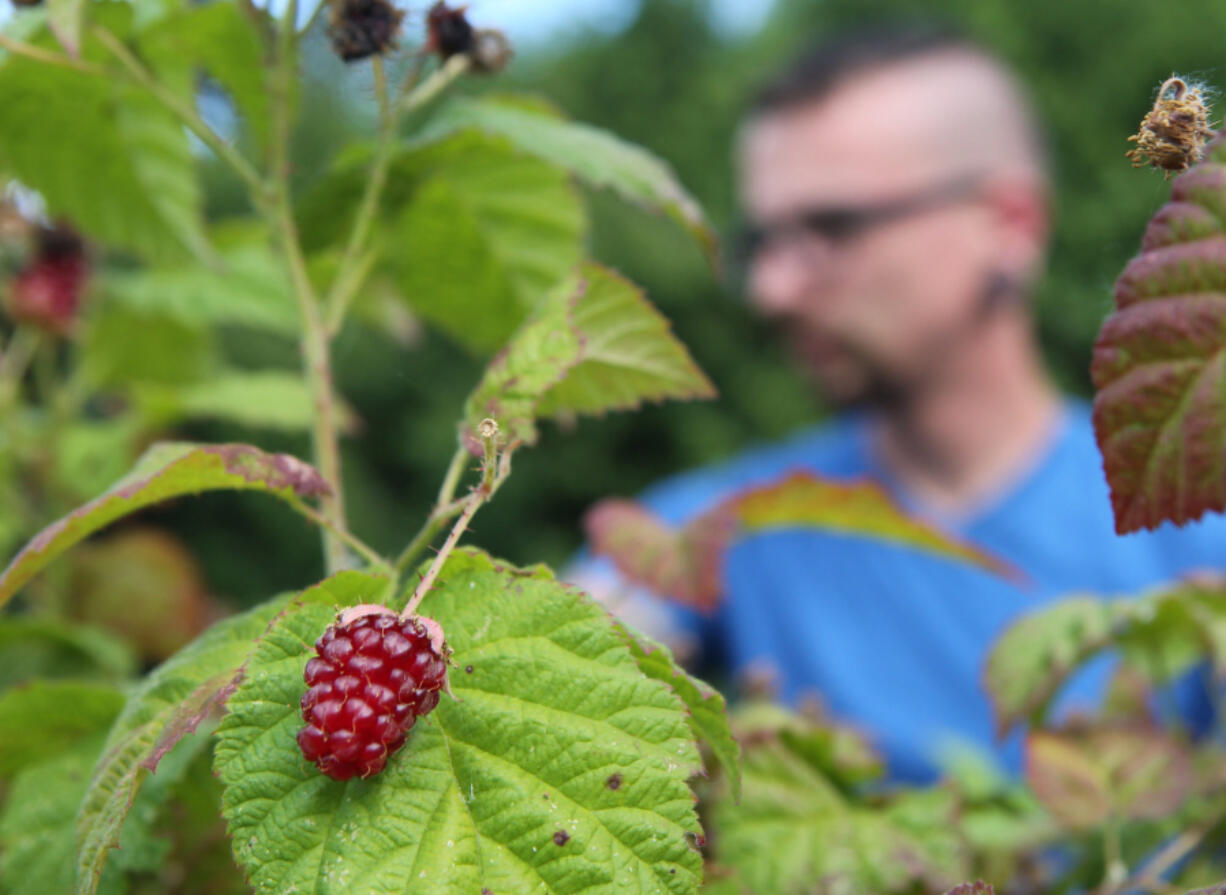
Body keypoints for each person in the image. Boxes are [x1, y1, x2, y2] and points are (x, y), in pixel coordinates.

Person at [566, 23, 1226, 784]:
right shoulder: (726, 526)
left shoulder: (1189, 521)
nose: (771, 289)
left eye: (833, 227)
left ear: (1009, 223)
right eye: (763, 242)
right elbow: (557, 649)